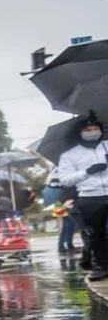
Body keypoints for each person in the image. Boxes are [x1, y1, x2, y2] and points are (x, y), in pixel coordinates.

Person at [56, 118, 108, 281]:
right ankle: (102, 266)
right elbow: (65, 180)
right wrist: (87, 172)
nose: (92, 132)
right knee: (95, 235)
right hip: (89, 197)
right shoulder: (69, 155)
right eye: (88, 129)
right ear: (80, 132)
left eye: (95, 128)